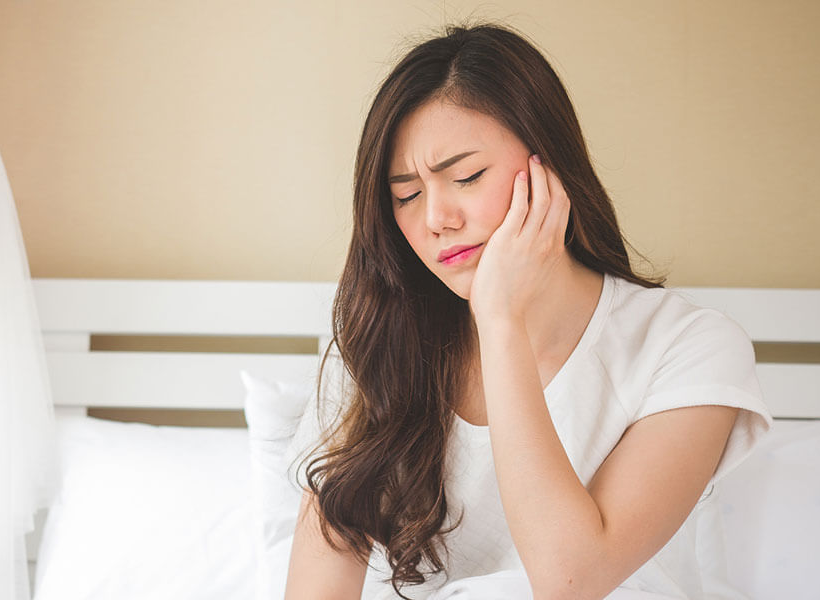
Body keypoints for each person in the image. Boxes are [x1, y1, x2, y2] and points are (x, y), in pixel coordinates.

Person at [284, 23, 771, 600]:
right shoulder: (378, 348)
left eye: (465, 176)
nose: (437, 217)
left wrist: (500, 322)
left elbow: (571, 578)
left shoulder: (687, 347)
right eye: (406, 195)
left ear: (549, 164)